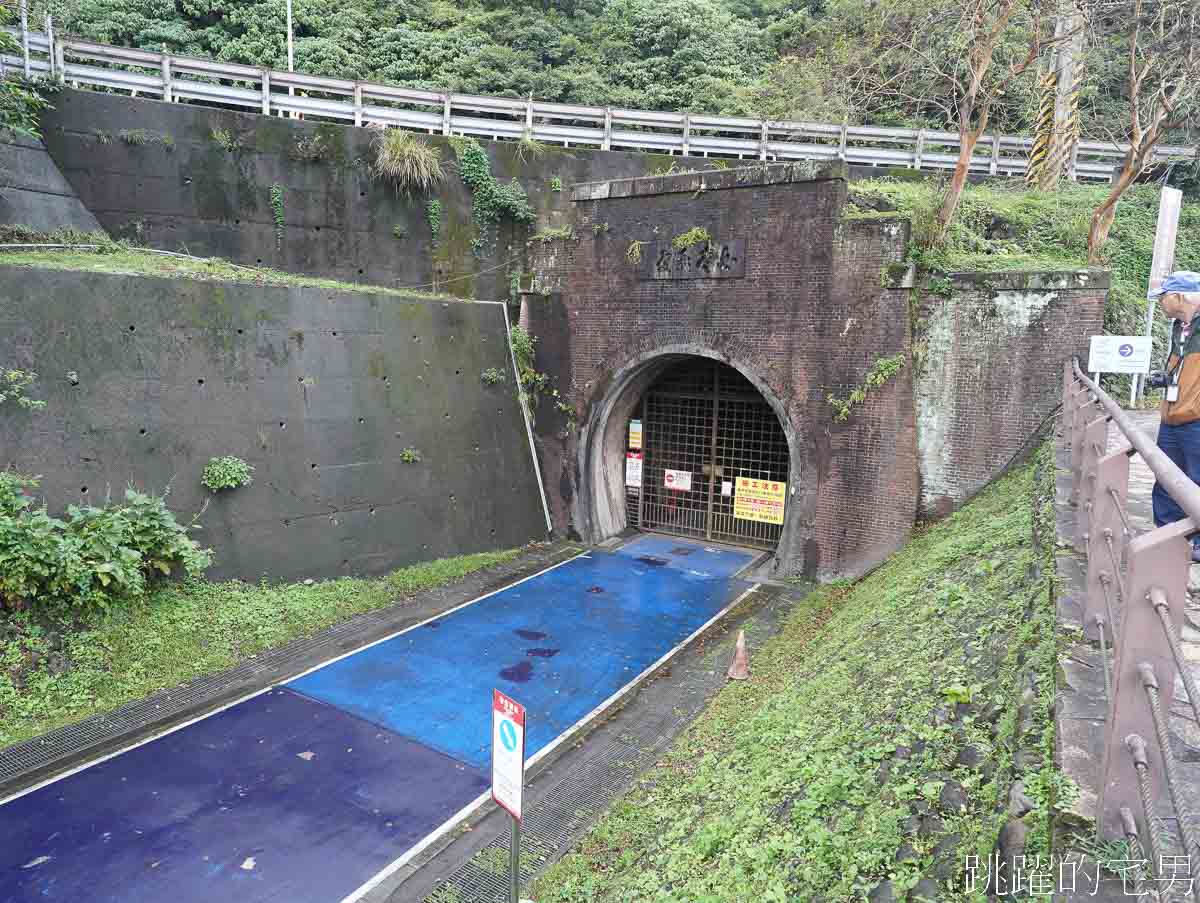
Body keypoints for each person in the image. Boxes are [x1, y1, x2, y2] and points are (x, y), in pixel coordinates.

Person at [1148, 271, 1200, 560]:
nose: (1161, 303)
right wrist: (1166, 378)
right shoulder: (1179, 327)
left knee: (1197, 478)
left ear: (1179, 297)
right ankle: (1166, 533)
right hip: (1173, 415)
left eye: (1163, 297)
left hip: (1196, 420)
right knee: (1166, 476)